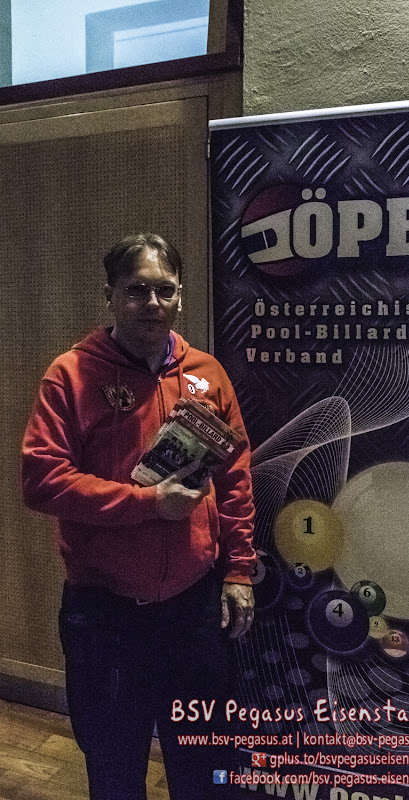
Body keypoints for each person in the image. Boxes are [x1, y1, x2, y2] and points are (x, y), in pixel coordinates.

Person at [21, 233, 256, 800]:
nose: (152, 303)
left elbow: (236, 477)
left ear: (180, 296)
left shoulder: (207, 374)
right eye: (136, 290)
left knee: (203, 763)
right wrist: (147, 503)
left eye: (164, 291)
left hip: (193, 608)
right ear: (109, 295)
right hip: (105, 613)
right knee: (115, 767)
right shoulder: (70, 375)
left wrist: (239, 571)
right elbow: (42, 480)